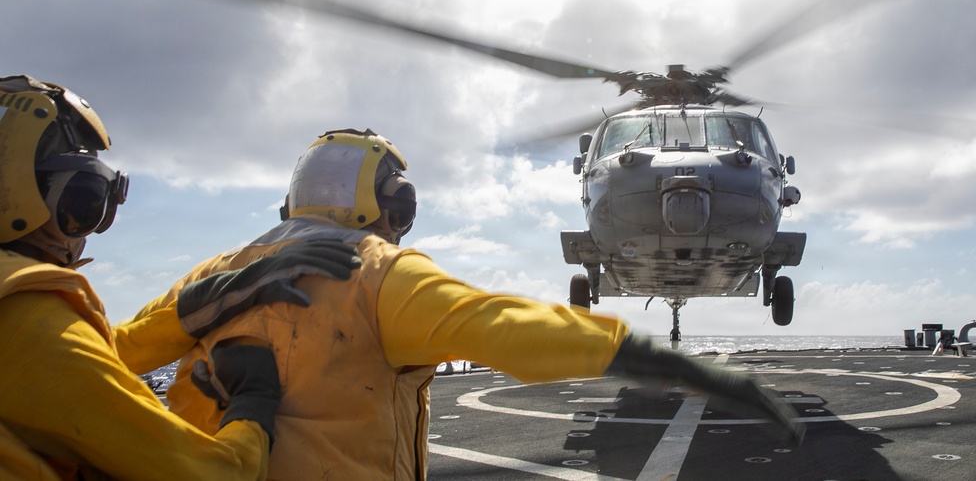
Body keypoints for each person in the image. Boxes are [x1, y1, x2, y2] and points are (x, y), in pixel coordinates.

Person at [122, 128, 805, 480]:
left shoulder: (219, 274)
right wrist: (684, 368)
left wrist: (188, 307)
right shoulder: (381, 274)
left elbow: (107, 354)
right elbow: (510, 329)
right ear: (389, 207)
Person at [0, 75, 360, 481]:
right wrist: (252, 405)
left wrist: (205, 301)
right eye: (85, 202)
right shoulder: (27, 320)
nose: (89, 230)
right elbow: (212, 475)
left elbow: (101, 352)